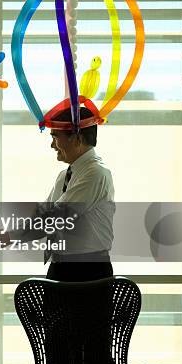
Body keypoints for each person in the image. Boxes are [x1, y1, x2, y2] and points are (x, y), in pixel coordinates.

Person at [44, 106, 115, 282]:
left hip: (87, 272)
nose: (52, 145)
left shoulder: (95, 173)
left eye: (55, 137)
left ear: (77, 138)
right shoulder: (66, 175)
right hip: (61, 267)